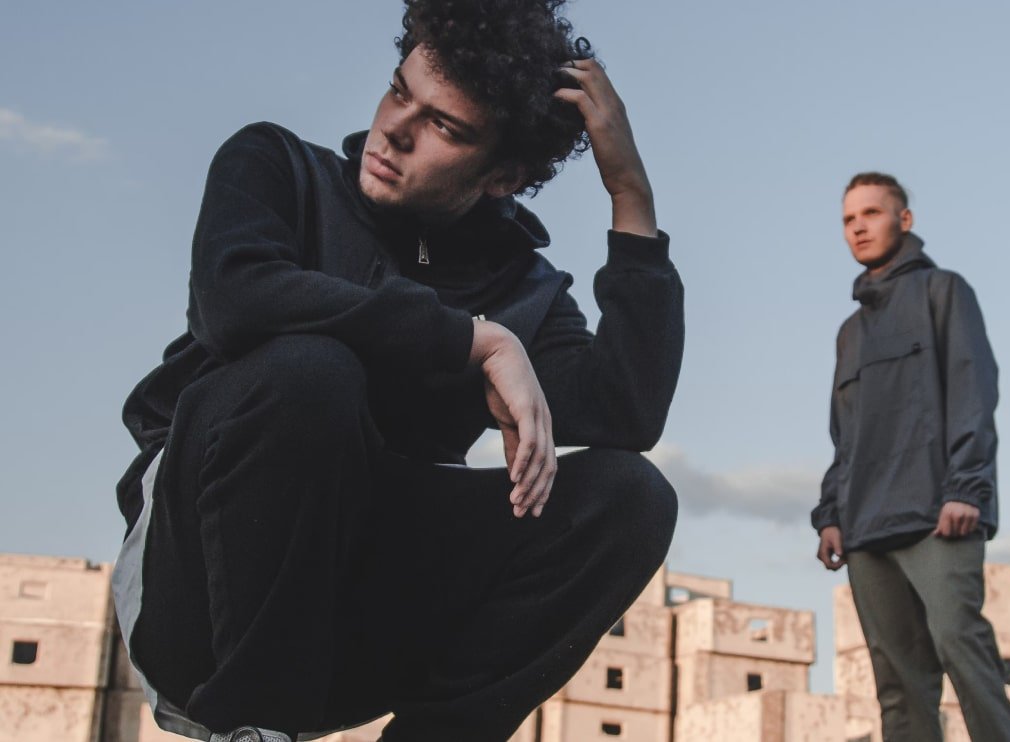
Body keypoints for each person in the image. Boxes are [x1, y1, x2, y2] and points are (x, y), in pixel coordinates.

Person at [111, 2, 683, 740]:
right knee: (310, 372)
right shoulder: (279, 167)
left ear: (503, 176)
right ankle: (255, 727)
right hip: (200, 604)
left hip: (360, 618)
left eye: (443, 126)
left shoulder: (523, 289)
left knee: (632, 497)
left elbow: (623, 413)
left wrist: (630, 195)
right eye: (398, 91)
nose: (395, 130)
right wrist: (471, 340)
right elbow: (236, 297)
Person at [811, 173, 1010, 741]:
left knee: (961, 647)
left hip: (938, 513)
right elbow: (844, 436)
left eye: (871, 213)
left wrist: (966, 488)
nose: (858, 227)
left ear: (904, 220)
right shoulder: (849, 333)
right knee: (898, 686)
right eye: (848, 219)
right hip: (864, 528)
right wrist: (830, 514)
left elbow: (973, 391)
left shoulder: (943, 291)